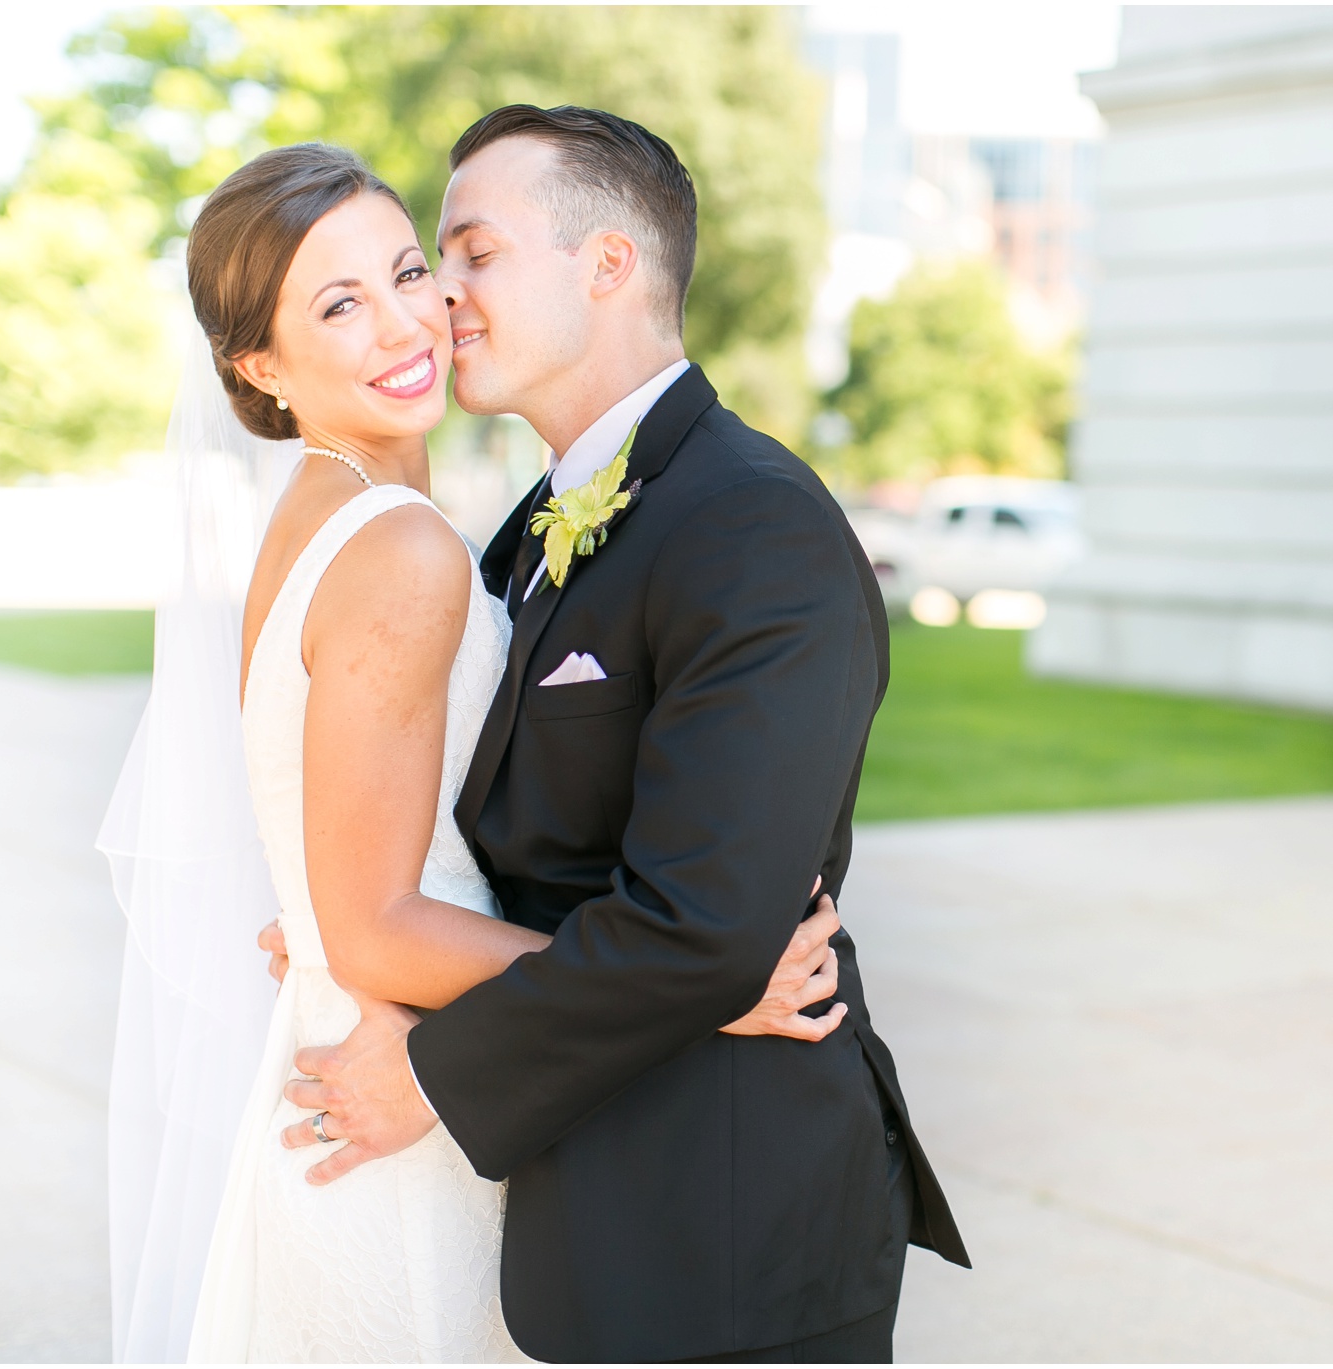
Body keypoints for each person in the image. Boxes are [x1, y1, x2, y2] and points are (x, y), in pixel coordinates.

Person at [104, 142, 851, 1363]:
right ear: (258, 366)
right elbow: (375, 923)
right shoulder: (400, 547)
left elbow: (346, 870)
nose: (415, 317)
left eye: (414, 271)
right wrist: (706, 983)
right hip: (398, 1112)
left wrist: (327, 917)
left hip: (374, 1067)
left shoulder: (339, 529)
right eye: (340, 304)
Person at [283, 106, 969, 1364]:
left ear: (607, 265)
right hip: (581, 1205)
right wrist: (349, 936)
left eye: (472, 252)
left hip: (719, 1233)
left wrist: (431, 1068)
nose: (442, 295)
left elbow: (705, 926)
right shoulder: (527, 530)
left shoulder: (752, 528)